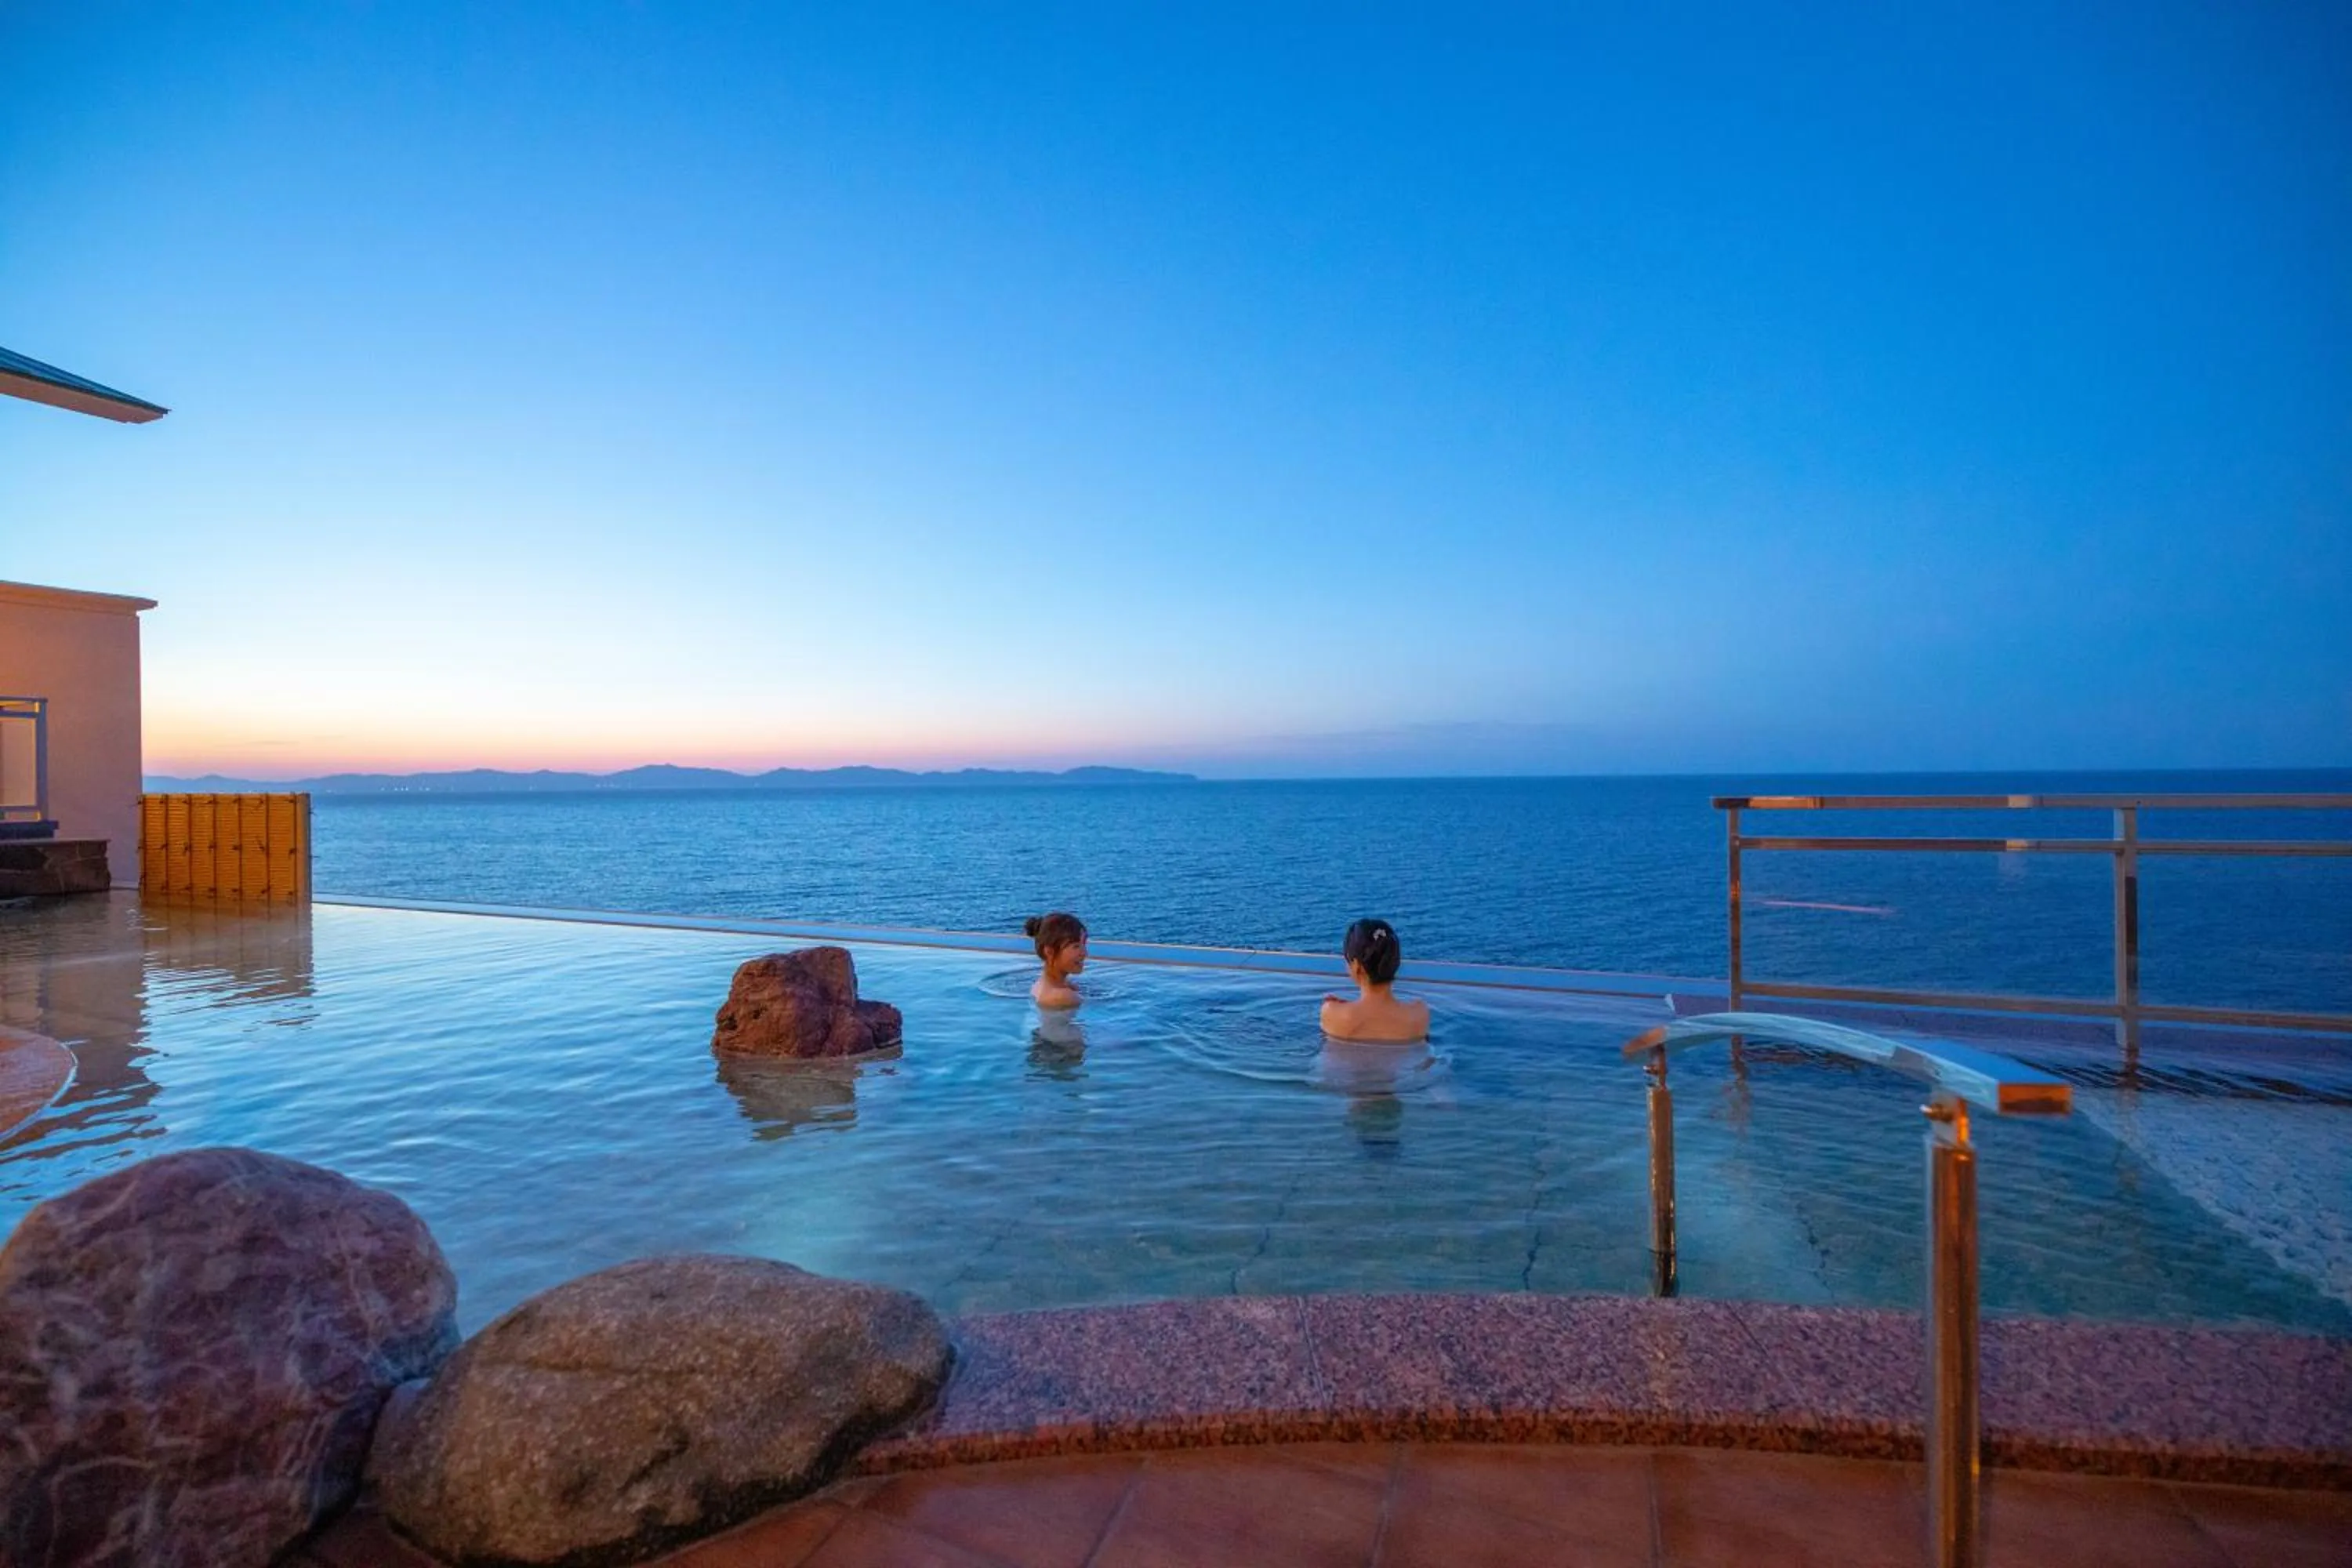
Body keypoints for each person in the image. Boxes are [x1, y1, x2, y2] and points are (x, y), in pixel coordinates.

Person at [1319, 917, 1429, 1043]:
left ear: (1357, 967)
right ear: (1395, 962)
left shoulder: (1331, 1012)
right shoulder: (1419, 1013)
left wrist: (1343, 1008)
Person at [1025, 911, 1089, 1009]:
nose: (1084, 953)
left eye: (1084, 945)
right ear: (1049, 952)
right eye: (1076, 947)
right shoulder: (1062, 997)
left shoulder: (1041, 986)